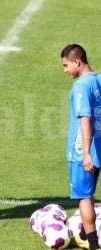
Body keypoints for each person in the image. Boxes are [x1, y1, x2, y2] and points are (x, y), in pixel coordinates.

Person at [61, 44, 101, 250]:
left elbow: (85, 118)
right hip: (100, 146)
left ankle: (93, 245)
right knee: (89, 191)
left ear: (77, 61)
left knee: (84, 197)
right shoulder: (99, 79)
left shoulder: (80, 87)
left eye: (66, 65)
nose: (65, 70)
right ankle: (85, 232)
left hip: (83, 150)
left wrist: (86, 153)